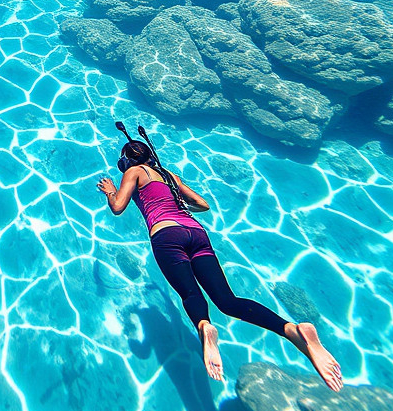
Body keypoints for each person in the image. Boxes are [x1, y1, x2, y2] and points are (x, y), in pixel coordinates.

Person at [97, 127, 343, 390]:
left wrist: (111, 190)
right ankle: (292, 330)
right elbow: (203, 205)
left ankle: (204, 326)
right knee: (227, 301)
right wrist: (178, 204)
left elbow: (118, 207)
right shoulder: (170, 176)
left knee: (191, 294)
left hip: (167, 234)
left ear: (128, 161)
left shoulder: (134, 172)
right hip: (196, 233)